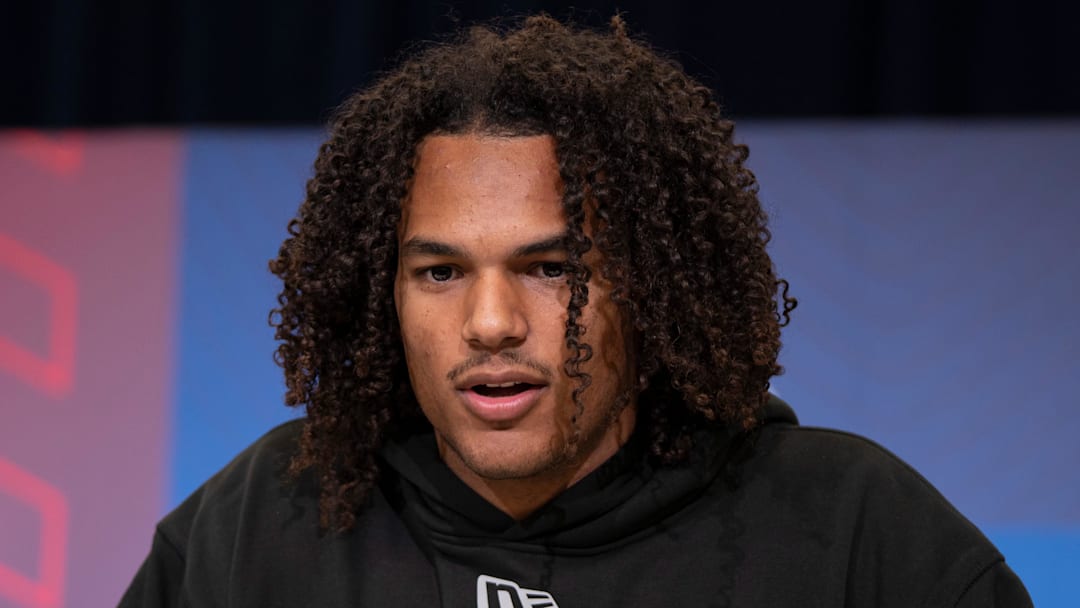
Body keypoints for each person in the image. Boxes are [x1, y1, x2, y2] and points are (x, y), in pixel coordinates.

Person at [120, 15, 1031, 608]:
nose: (490, 323)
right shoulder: (253, 533)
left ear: (654, 283)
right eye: (438, 273)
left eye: (553, 268)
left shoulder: (857, 537)